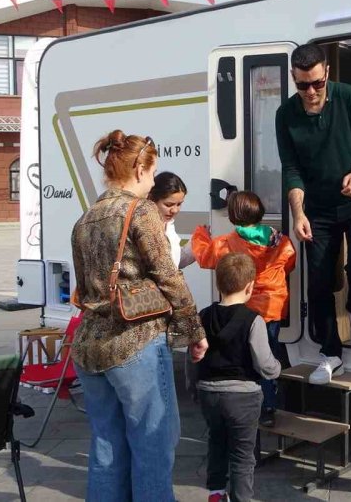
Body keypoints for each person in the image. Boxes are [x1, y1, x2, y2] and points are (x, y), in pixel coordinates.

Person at [70, 130, 207, 502]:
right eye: (153, 171)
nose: (152, 181)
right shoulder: (140, 210)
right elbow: (168, 275)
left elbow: (82, 290)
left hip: (88, 348)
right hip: (135, 342)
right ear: (140, 169)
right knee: (152, 446)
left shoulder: (86, 218)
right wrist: (194, 331)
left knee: (106, 448)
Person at [275, 42, 351, 384]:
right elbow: (291, 169)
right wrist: (298, 214)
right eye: (302, 85)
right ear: (294, 80)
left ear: (327, 74)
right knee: (319, 283)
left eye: (317, 84)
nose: (310, 92)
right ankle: (331, 353)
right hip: (318, 208)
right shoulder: (286, 115)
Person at [192, 191, 296, 426]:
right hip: (273, 307)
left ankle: (254, 403)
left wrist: (200, 234)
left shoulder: (226, 243)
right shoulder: (280, 240)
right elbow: (290, 263)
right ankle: (270, 405)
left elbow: (204, 257)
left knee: (247, 356)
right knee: (268, 353)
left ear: (232, 215)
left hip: (244, 311)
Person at [198, 253, 282, 502]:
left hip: (209, 394)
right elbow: (264, 364)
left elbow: (193, 357)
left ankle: (215, 493)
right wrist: (278, 369)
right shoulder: (253, 320)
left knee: (217, 443)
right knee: (243, 455)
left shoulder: (203, 315)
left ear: (218, 284)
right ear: (250, 286)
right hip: (242, 397)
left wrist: (195, 389)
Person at [149, 171, 195, 269]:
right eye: (168, 205)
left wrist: (197, 243)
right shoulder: (144, 227)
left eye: (179, 204)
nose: (174, 210)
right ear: (152, 199)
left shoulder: (169, 224)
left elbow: (175, 261)